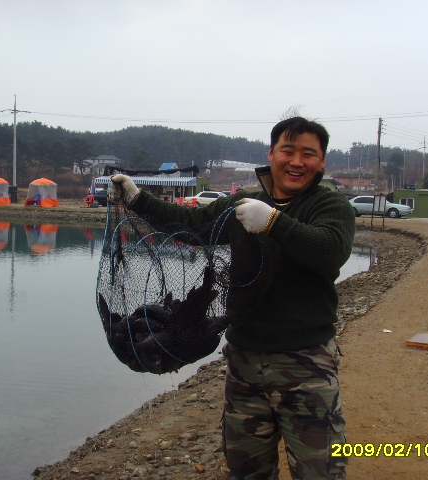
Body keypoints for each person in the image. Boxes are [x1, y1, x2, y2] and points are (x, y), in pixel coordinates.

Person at [110, 117, 355, 480]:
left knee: (321, 471)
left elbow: (331, 251)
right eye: (288, 151)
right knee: (246, 470)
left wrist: (273, 222)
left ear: (321, 162)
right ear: (271, 154)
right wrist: (138, 199)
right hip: (244, 363)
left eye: (308, 154)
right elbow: (191, 225)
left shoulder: (329, 205)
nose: (296, 162)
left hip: (307, 364)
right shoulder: (245, 204)